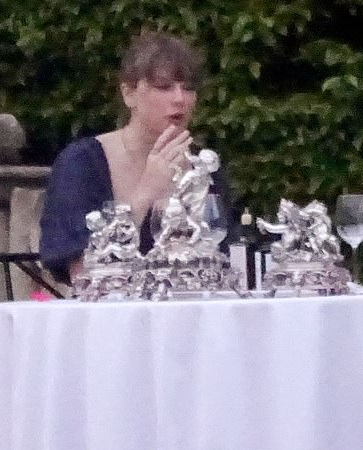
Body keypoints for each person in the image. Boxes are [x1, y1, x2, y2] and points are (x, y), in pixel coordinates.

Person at [40, 31, 237, 283]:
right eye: (164, 87)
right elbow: (82, 274)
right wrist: (146, 191)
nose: (180, 99)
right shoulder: (83, 163)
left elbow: (227, 260)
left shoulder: (203, 167)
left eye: (188, 88)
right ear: (128, 94)